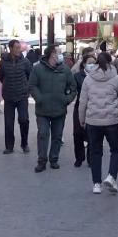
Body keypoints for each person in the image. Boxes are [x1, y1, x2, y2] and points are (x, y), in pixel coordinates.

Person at [78, 52, 118, 194]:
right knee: (117, 149)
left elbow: (83, 102)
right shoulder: (116, 78)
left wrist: (82, 119)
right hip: (112, 120)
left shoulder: (88, 79)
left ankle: (96, 184)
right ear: (110, 62)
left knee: (95, 152)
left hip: (93, 121)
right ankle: (111, 176)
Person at [29, 45, 76, 173]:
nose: (60, 54)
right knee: (43, 134)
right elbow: (32, 85)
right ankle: (42, 161)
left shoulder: (65, 69)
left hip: (59, 109)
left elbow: (73, 86)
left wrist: (67, 99)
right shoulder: (38, 69)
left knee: (57, 136)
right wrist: (39, 99)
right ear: (51, 54)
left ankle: (54, 159)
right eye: (57, 52)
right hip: (42, 110)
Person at [0, 39, 32, 154]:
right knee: (8, 122)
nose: (18, 50)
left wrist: (26, 88)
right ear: (11, 48)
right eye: (16, 48)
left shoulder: (25, 62)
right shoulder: (3, 62)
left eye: (19, 47)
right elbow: (1, 76)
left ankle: (24, 143)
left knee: (24, 120)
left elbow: (29, 75)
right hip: (8, 96)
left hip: (22, 95)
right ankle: (9, 146)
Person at [71, 48, 96, 168]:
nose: (91, 65)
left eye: (93, 63)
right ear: (84, 64)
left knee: (92, 134)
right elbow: (72, 90)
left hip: (94, 108)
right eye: (89, 63)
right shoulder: (77, 76)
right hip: (80, 107)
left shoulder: (98, 76)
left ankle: (91, 158)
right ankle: (79, 157)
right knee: (77, 134)